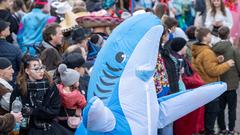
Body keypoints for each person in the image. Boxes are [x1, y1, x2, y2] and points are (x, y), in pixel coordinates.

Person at [10, 55, 71, 135]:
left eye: (42, 67)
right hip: (26, 129)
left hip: (48, 127)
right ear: (27, 71)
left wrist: (33, 111)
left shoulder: (51, 86)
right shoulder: (19, 88)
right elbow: (13, 112)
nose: (41, 71)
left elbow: (54, 111)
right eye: (36, 69)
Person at [191, 27, 235, 135]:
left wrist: (216, 60)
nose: (211, 36)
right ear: (205, 37)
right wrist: (227, 64)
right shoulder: (207, 52)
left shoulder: (199, 49)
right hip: (210, 86)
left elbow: (205, 65)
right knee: (211, 114)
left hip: (203, 85)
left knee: (207, 114)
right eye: (209, 34)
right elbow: (213, 71)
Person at [212, 26, 240, 135]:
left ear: (218, 35)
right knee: (231, 109)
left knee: (220, 108)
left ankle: (222, 129)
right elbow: (238, 65)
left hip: (219, 83)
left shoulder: (213, 48)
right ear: (228, 35)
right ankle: (231, 130)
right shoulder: (233, 49)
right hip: (231, 84)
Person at [57, 64, 86, 131]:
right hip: (73, 115)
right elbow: (83, 104)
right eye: (77, 81)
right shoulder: (76, 94)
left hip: (61, 114)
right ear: (73, 83)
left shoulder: (58, 87)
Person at [0, 20, 22, 87]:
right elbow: (21, 67)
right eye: (6, 27)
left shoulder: (14, 48)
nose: (8, 27)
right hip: (10, 83)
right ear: (2, 33)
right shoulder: (14, 48)